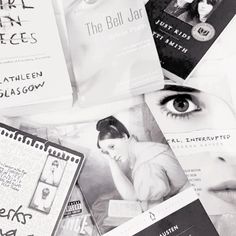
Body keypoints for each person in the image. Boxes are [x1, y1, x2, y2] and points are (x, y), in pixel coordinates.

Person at [96, 116, 188, 208]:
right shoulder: (144, 150)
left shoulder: (145, 164)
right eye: (107, 152)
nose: (112, 155)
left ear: (124, 137)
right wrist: (111, 161)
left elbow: (138, 200)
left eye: (112, 147)